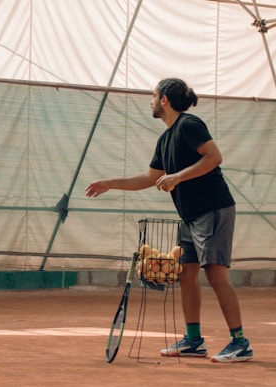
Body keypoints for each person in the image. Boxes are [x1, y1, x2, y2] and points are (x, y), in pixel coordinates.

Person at [85, 78, 253, 363]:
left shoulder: (189, 124)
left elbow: (214, 157)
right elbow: (150, 178)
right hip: (189, 216)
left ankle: (240, 343)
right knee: (186, 274)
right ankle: (193, 340)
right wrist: (109, 183)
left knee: (214, 272)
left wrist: (178, 176)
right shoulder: (164, 139)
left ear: (164, 99)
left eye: (153, 96)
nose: (150, 102)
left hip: (213, 209)